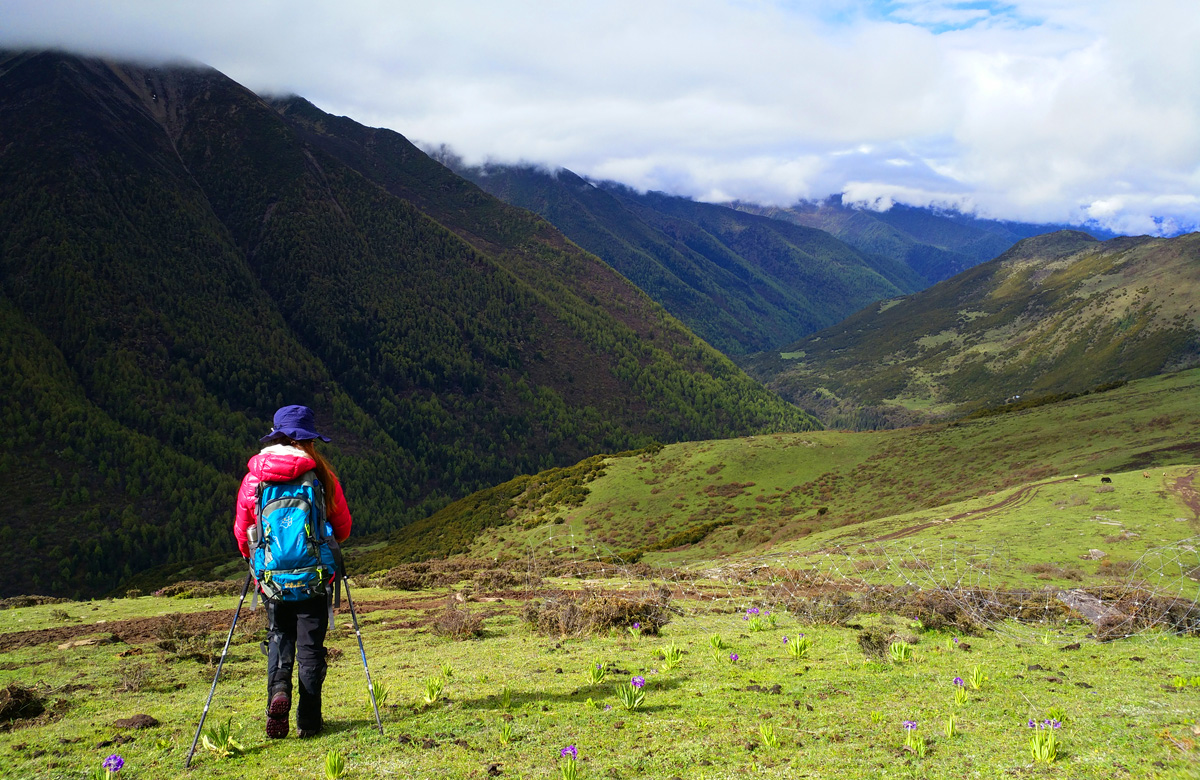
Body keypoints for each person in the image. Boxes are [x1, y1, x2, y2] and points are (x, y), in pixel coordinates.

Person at [233, 405, 352, 739]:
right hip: (314, 577)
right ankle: (309, 721)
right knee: (311, 646)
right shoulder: (321, 477)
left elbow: (243, 532)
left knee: (279, 636)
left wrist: (256, 563)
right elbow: (342, 529)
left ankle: (279, 691)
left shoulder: (253, 478)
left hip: (272, 579)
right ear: (308, 439)